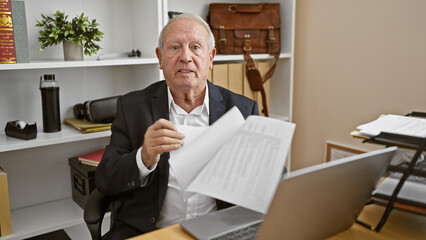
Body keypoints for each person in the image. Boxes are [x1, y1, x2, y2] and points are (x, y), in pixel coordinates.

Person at [95, 13, 259, 239]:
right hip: (152, 233)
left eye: (195, 47)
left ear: (210, 58)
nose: (185, 57)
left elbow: (272, 181)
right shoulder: (132, 108)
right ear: (160, 58)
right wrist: (144, 157)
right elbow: (105, 179)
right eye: (174, 48)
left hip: (219, 231)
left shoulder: (242, 110)